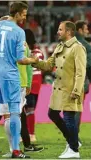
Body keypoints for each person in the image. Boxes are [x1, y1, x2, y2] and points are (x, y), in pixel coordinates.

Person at [0, 2, 38, 159]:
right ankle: (16, 151)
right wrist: (33, 59)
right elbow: (20, 60)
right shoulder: (19, 32)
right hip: (9, 75)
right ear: (17, 14)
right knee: (14, 113)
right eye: (24, 14)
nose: (24, 17)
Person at [33, 21, 86, 158]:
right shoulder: (59, 46)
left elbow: (81, 72)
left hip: (70, 89)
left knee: (68, 117)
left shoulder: (77, 48)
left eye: (60, 29)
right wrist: (33, 61)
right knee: (52, 114)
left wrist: (76, 90)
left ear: (68, 32)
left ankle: (74, 150)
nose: (58, 32)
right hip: (58, 89)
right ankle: (73, 141)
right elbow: (48, 65)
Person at [24, 29, 44, 142]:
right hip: (34, 83)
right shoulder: (37, 52)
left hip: (30, 83)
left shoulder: (31, 52)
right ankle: (29, 134)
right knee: (29, 109)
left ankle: (30, 134)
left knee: (28, 109)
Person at [75, 20, 91, 143]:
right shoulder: (86, 45)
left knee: (70, 110)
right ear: (80, 30)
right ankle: (74, 137)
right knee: (77, 109)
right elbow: (89, 65)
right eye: (86, 29)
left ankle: (71, 135)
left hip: (67, 81)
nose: (87, 31)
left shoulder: (67, 43)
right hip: (81, 82)